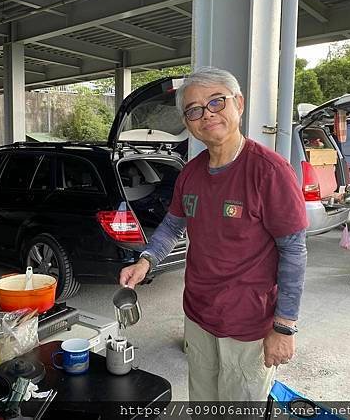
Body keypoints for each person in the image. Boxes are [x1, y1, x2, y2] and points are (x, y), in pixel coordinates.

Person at [120, 67, 308, 401]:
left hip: (249, 325)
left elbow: (294, 251)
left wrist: (284, 326)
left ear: (239, 103)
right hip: (198, 316)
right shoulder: (190, 173)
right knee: (203, 404)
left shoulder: (270, 171)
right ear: (188, 122)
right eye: (194, 110)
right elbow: (172, 224)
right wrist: (146, 261)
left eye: (216, 102)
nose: (206, 114)